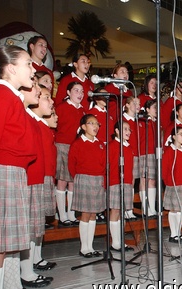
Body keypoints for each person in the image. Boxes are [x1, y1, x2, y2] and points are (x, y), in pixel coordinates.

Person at [0, 45, 39, 289]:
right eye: (28, 63)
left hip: (12, 173)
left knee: (1, 245)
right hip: (0, 173)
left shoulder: (11, 97)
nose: (33, 69)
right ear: (11, 68)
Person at [68, 114, 106, 257]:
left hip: (97, 180)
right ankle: (84, 248)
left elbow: (103, 164)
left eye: (97, 124)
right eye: (91, 123)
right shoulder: (77, 143)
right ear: (83, 127)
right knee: (85, 214)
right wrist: (80, 178)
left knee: (93, 215)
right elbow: (72, 165)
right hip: (83, 179)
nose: (95, 126)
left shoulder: (100, 144)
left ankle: (90, 246)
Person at [31, 86, 58, 269]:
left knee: (39, 223)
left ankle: (36, 257)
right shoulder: (38, 126)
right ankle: (31, 262)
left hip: (47, 176)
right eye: (54, 114)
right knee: (34, 223)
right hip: (38, 177)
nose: (56, 117)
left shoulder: (47, 130)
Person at [54, 82, 85, 226]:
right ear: (68, 92)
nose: (79, 94)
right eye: (76, 90)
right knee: (62, 181)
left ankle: (72, 214)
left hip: (76, 148)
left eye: (82, 91)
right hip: (62, 146)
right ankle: (61, 215)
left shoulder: (83, 111)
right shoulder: (61, 108)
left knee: (73, 182)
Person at [108, 121, 135, 251]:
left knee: (122, 212)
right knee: (115, 211)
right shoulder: (113, 146)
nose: (128, 132)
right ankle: (115, 242)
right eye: (125, 129)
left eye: (129, 129)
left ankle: (121, 240)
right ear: (117, 131)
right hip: (115, 182)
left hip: (127, 183)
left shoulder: (129, 148)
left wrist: (131, 182)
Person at [162, 127, 182, 243]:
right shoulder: (169, 151)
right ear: (174, 137)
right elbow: (164, 169)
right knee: (174, 209)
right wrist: (168, 182)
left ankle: (178, 233)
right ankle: (173, 234)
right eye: (180, 134)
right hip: (173, 184)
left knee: (181, 210)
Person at [138, 99, 158, 217]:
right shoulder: (143, 122)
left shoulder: (156, 123)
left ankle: (152, 207)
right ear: (147, 109)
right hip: (145, 153)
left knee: (152, 181)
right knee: (144, 180)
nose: (156, 110)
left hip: (154, 153)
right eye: (154, 107)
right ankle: (146, 208)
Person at [122, 96, 141, 220]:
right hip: (125, 153)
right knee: (125, 182)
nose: (138, 105)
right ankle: (124, 209)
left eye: (139, 103)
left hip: (135, 154)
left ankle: (129, 208)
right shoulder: (123, 120)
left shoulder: (139, 120)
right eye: (134, 103)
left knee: (132, 182)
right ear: (127, 105)